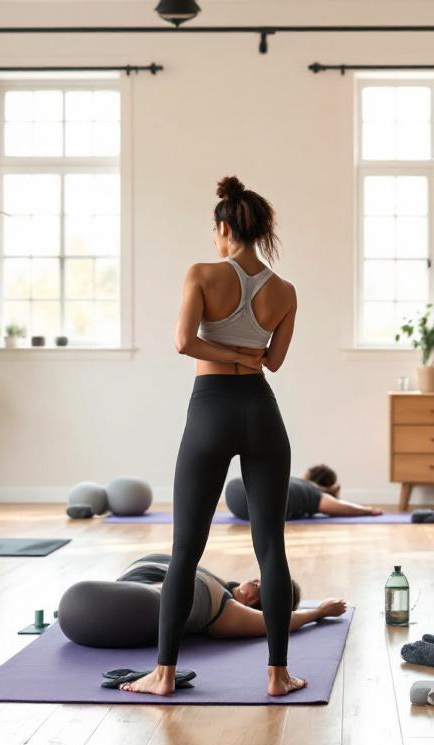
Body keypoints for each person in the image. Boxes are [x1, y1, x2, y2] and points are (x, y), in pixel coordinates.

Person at [123, 176, 300, 697]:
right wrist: (248, 354)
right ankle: (279, 675)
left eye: (216, 231)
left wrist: (228, 351)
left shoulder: (202, 273)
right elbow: (274, 361)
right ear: (260, 229)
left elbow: (185, 343)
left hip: (211, 411)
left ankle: (163, 674)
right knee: (271, 545)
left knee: (185, 550)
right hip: (262, 411)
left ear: (224, 228)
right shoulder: (284, 291)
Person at [58, 554, 346, 649]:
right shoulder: (219, 584)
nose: (251, 584)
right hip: (123, 592)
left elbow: (279, 623)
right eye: (256, 580)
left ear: (256, 601)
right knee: (77, 599)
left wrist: (319, 612)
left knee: (77, 599)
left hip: (141, 604)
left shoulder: (227, 611)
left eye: (258, 587)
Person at [224, 464, 386, 520]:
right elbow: (339, 507)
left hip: (233, 491)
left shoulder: (299, 483)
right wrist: (368, 510)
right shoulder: (311, 491)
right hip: (249, 503)